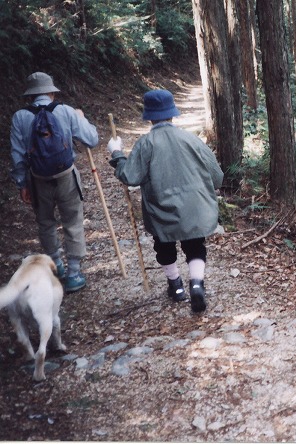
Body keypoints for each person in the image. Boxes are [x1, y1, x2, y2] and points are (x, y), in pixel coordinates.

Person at [106, 89, 224, 313]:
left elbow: (130, 176)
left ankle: (176, 287)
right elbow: (217, 177)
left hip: (161, 211)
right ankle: (197, 284)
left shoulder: (146, 143)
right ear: (173, 114)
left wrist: (117, 154)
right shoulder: (192, 139)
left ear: (149, 117)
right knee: (195, 245)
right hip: (195, 210)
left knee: (164, 245)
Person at [10, 72, 99, 293]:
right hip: (66, 176)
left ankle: (56, 266)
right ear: (51, 91)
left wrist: (22, 184)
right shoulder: (66, 111)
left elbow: (18, 155)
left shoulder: (20, 117)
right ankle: (74, 274)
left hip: (38, 180)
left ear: (30, 95)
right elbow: (92, 139)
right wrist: (81, 117)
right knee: (72, 221)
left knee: (46, 222)